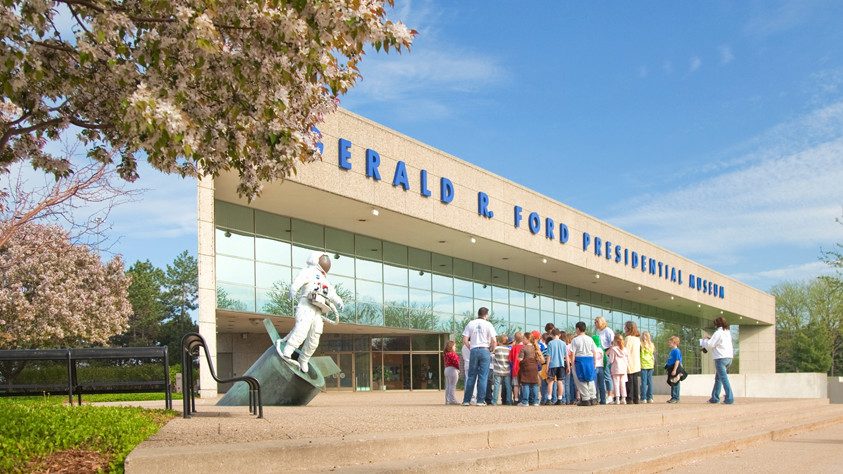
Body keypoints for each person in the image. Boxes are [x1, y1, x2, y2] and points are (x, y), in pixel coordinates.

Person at [276, 251, 343, 373]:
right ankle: (289, 349)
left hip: (318, 309)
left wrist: (338, 301)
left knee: (315, 337)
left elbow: (332, 293)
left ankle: (304, 359)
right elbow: (299, 280)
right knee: (301, 329)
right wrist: (294, 289)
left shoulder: (325, 280)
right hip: (306, 304)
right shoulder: (308, 272)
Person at [462, 307, 497, 406]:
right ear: (486, 315)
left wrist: (471, 347)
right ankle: (480, 401)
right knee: (483, 376)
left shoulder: (470, 323)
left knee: (471, 376)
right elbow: (494, 340)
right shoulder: (488, 324)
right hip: (485, 350)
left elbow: (465, 339)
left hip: (474, 350)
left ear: (478, 314)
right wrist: (491, 350)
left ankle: (466, 400)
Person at [704, 317, 735, 405]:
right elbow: (718, 342)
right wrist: (710, 339)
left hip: (720, 358)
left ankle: (729, 399)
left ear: (716, 324)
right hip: (729, 358)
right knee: (718, 379)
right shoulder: (727, 332)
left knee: (724, 379)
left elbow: (710, 345)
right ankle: (714, 398)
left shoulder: (718, 332)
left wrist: (705, 341)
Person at [570, 321, 599, 406]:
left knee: (580, 379)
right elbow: (594, 351)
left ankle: (585, 399)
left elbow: (573, 353)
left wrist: (572, 364)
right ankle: (593, 397)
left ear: (578, 329)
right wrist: (594, 362)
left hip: (580, 360)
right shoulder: (590, 338)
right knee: (590, 378)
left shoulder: (575, 340)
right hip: (590, 359)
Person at [518, 332, 544, 406]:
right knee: (535, 384)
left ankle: (525, 401)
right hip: (534, 368)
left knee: (526, 384)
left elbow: (520, 359)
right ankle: (536, 401)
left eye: (523, 338)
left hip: (526, 367)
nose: (522, 340)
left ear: (527, 339)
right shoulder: (535, 348)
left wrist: (518, 358)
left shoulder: (524, 348)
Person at [594, 316, 615, 405]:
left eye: (596, 322)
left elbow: (613, 344)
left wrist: (606, 354)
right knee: (600, 376)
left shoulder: (608, 331)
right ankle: (601, 396)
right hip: (599, 354)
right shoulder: (597, 331)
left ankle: (610, 395)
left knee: (606, 374)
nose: (595, 323)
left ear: (602, 322)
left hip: (606, 352)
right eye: (595, 322)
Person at [546, 329, 567, 405]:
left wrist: (547, 366)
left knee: (550, 382)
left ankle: (549, 398)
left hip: (552, 364)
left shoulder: (550, 343)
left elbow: (549, 356)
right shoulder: (563, 343)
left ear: (551, 335)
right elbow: (566, 356)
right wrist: (567, 366)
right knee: (560, 381)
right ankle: (560, 399)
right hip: (561, 364)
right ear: (559, 335)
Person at [607, 334, 629, 404]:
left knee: (616, 384)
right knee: (623, 384)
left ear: (615, 340)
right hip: (623, 369)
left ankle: (617, 399)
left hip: (616, 368)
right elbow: (627, 359)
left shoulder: (613, 349)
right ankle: (624, 398)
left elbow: (611, 360)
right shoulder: (625, 349)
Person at [624, 321, 642, 404]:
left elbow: (625, 350)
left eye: (625, 327)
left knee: (629, 381)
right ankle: (636, 398)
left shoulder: (628, 338)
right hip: (636, 362)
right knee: (635, 381)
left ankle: (630, 398)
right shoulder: (637, 339)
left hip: (629, 362)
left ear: (628, 328)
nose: (624, 328)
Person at [492, 335, 512, 405]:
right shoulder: (509, 349)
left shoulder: (496, 348)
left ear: (498, 341)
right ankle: (509, 401)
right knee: (508, 385)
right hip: (507, 370)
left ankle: (494, 401)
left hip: (498, 370)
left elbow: (492, 356)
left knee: (496, 385)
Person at [665, 336, 682, 403]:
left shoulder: (676, 351)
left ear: (674, 343)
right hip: (671, 368)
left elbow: (677, 360)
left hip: (675, 368)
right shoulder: (672, 351)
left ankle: (675, 398)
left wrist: (674, 370)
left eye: (670, 342)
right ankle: (673, 397)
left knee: (675, 383)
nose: (669, 343)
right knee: (673, 382)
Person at [509, 332, 524, 405]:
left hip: (515, 368)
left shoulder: (513, 348)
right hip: (523, 369)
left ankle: (516, 399)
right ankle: (523, 399)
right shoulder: (524, 347)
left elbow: (510, 359)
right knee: (523, 384)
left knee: (516, 385)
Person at [640, 331, 655, 404]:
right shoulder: (652, 345)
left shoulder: (641, 344)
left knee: (643, 382)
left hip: (643, 365)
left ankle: (643, 398)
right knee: (650, 382)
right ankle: (650, 398)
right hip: (650, 365)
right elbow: (652, 355)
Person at [443, 340, 460, 405]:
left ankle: (447, 400)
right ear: (452, 346)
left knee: (448, 386)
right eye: (455, 346)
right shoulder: (452, 354)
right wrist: (459, 368)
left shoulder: (446, 354)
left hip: (447, 369)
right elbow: (456, 363)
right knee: (452, 385)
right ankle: (452, 400)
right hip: (452, 370)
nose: (455, 347)